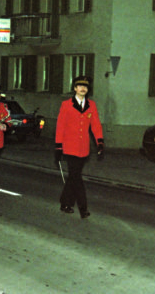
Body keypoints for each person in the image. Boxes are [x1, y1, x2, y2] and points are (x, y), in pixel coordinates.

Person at [54, 76, 104, 219]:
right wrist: (58, 147)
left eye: (85, 87)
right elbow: (60, 126)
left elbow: (95, 125)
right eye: (80, 86)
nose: (83, 88)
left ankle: (65, 202)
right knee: (77, 178)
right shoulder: (66, 105)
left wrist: (100, 142)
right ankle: (83, 208)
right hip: (69, 147)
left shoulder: (91, 105)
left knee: (73, 177)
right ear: (75, 88)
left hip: (83, 148)